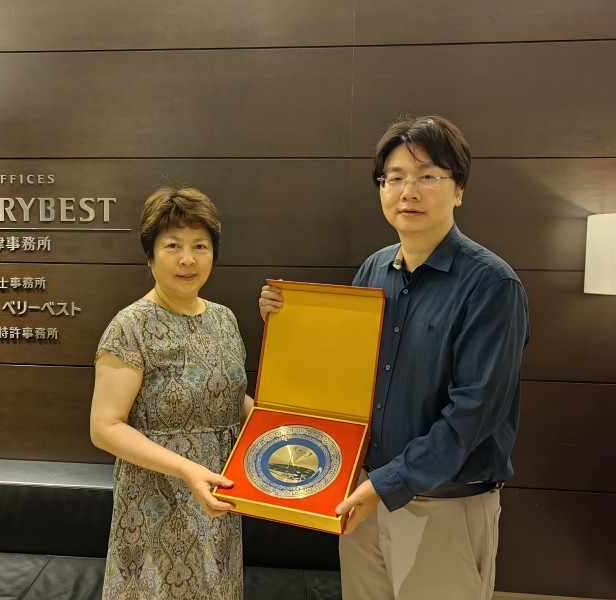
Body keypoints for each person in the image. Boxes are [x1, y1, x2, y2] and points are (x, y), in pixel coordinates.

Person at [259, 115, 529, 600]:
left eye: (427, 176)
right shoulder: (374, 269)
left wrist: (388, 483)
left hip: (443, 504)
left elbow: (473, 414)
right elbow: (347, 372)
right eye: (395, 177)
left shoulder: (492, 285)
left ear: (459, 189)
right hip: (362, 494)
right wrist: (288, 322)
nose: (409, 191)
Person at [91, 184, 253, 600]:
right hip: (155, 505)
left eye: (200, 245)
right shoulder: (130, 327)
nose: (188, 259)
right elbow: (105, 427)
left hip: (218, 501)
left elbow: (232, 402)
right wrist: (186, 470)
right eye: (173, 245)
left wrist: (287, 429)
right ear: (150, 256)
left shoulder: (224, 319)